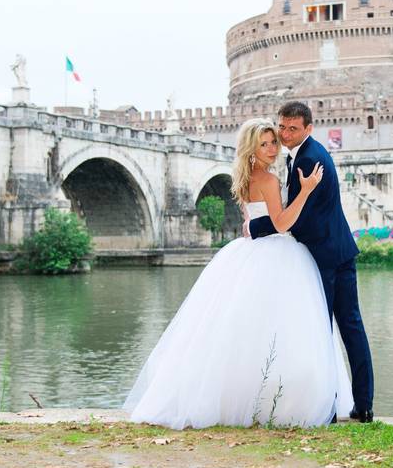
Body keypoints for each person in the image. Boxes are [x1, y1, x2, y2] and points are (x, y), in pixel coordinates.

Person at [124, 118, 352, 430]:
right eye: (265, 144)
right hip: (277, 252)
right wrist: (306, 191)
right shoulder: (269, 181)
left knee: (243, 331)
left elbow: (249, 224)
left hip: (249, 252)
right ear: (251, 149)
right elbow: (282, 223)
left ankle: (241, 399)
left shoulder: (242, 178)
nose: (273, 149)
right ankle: (284, 400)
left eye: (274, 142)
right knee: (285, 330)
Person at [247, 101, 375, 422]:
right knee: (351, 328)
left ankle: (328, 409)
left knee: (322, 332)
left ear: (308, 128)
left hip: (323, 257)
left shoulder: (307, 160)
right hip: (341, 250)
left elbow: (294, 220)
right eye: (282, 127)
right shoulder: (311, 153)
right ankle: (363, 405)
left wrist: (255, 225)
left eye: (293, 128)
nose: (285, 134)